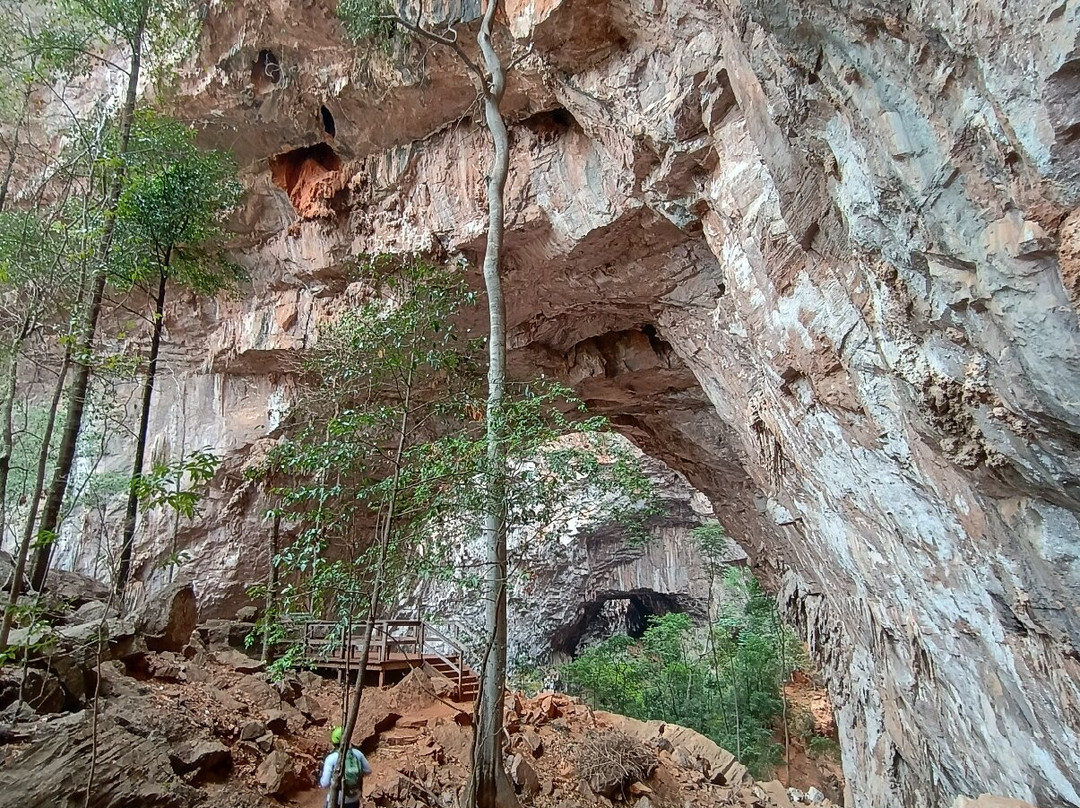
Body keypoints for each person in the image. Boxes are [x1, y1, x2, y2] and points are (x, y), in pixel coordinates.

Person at [319, 726, 372, 808]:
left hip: (336, 800)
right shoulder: (357, 754)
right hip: (354, 799)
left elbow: (325, 783)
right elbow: (368, 770)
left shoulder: (331, 758)